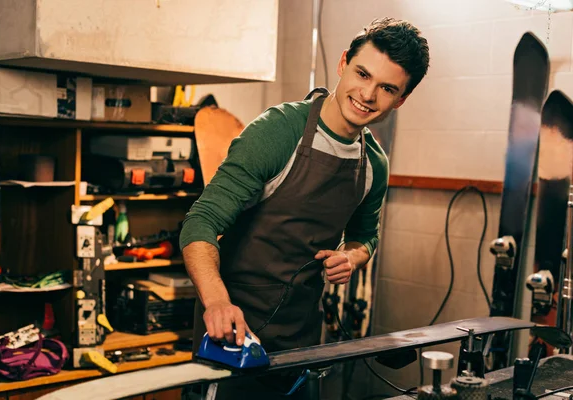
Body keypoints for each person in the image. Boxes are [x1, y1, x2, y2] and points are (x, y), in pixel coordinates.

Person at [180, 16, 430, 399]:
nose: (367, 94)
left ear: (401, 99)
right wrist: (216, 303)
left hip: (301, 344)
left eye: (386, 88)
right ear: (344, 62)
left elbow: (366, 236)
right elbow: (201, 221)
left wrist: (352, 257)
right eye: (362, 74)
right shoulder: (277, 132)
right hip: (229, 336)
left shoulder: (373, 165)